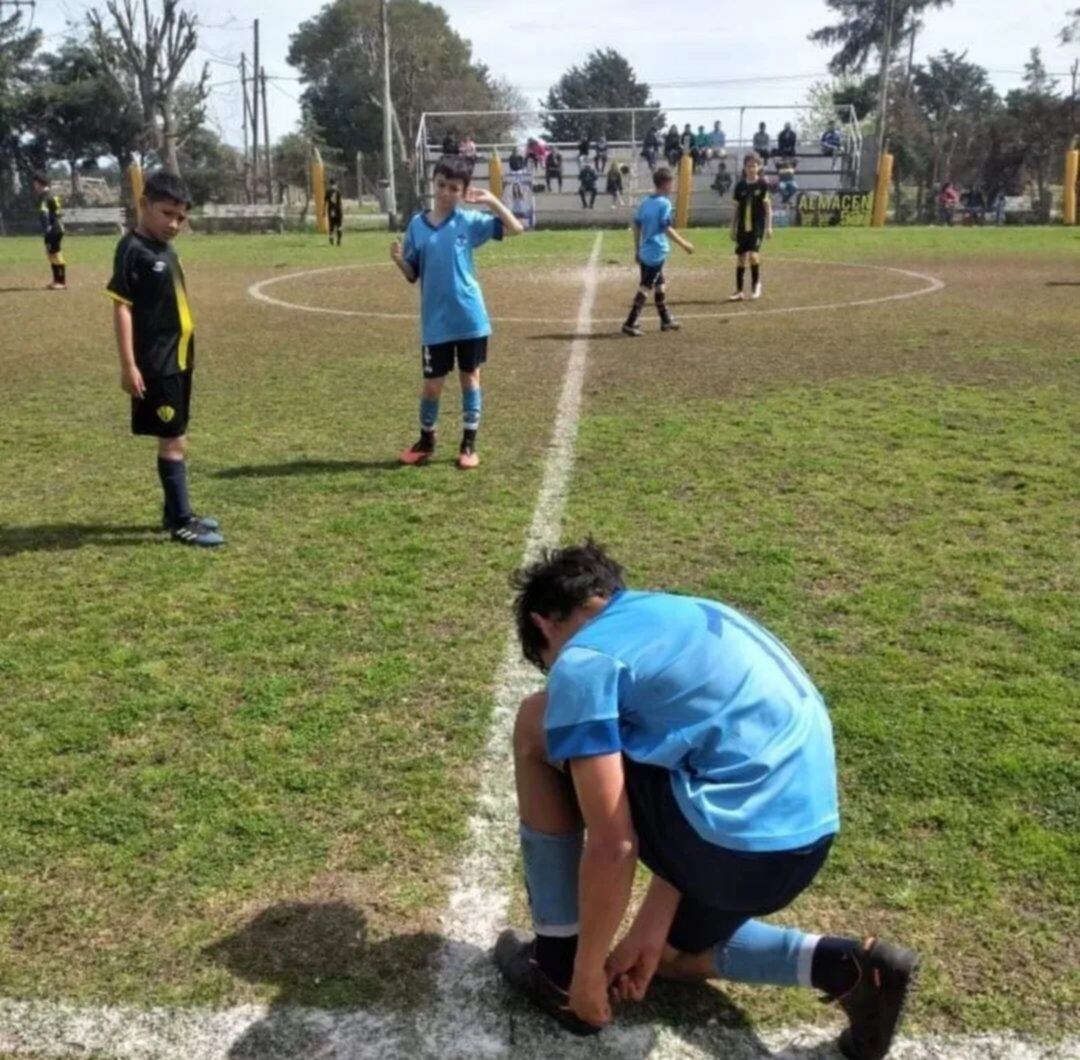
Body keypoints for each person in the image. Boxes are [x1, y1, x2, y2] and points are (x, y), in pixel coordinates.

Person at [494, 541, 919, 1060]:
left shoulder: (584, 658)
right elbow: (701, 763)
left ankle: (555, 967)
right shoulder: (685, 613)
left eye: (547, 661)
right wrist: (649, 924)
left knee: (537, 720)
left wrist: (584, 976)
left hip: (731, 847)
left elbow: (614, 844)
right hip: (800, 845)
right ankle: (851, 970)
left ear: (545, 627)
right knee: (668, 957)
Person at [106, 171, 223, 547]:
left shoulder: (164, 248)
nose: (174, 223)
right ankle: (181, 522)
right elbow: (121, 308)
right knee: (172, 441)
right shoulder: (133, 250)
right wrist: (128, 365)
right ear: (144, 205)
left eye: (181, 217)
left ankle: (174, 512)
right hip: (157, 363)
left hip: (180, 357)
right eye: (166, 213)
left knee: (178, 436)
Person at [390, 156, 524, 470]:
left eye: (454, 188)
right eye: (441, 185)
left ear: (463, 191)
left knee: (470, 378)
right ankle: (426, 440)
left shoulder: (468, 221)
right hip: (436, 322)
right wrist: (398, 261)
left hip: (470, 318)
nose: (446, 192)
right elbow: (413, 273)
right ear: (433, 184)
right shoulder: (416, 225)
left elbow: (516, 228)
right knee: (432, 385)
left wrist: (491, 199)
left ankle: (468, 444)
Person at [620, 166, 694, 337]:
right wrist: (684, 244)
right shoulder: (664, 203)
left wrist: (637, 249)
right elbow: (666, 228)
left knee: (660, 284)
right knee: (645, 287)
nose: (672, 187)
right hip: (656, 252)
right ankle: (630, 323)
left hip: (646, 251)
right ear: (665, 184)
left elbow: (636, 224)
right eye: (671, 183)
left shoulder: (645, 202)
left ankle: (666, 320)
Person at [729, 151, 772, 302]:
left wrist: (769, 227)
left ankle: (756, 285)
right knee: (741, 258)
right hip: (742, 227)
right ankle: (739, 291)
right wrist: (732, 228)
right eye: (749, 166)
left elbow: (767, 207)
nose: (751, 169)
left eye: (754, 166)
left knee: (753, 256)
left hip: (757, 227)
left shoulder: (763, 185)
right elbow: (735, 209)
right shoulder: (740, 186)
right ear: (745, 168)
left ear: (759, 167)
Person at [32, 173, 66, 290]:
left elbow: (44, 212)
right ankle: (56, 280)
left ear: (39, 184)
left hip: (53, 228)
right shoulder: (52, 194)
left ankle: (61, 282)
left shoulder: (45, 196)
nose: (34, 186)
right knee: (51, 253)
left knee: (54, 254)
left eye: (35, 184)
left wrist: (46, 228)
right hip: (57, 227)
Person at [324, 178, 344, 246]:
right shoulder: (338, 191)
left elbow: (325, 202)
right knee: (339, 225)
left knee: (331, 225)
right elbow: (340, 201)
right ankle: (339, 240)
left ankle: (331, 237)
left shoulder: (328, 191)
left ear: (330, 183)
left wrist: (323, 211)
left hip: (331, 210)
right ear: (336, 183)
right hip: (338, 210)